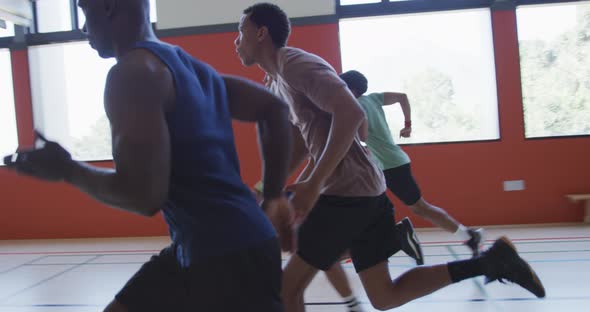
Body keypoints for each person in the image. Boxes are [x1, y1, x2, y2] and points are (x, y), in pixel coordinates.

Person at [234, 3, 546, 311]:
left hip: (345, 194)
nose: (236, 41)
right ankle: (493, 262)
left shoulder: (294, 64)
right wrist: (269, 188)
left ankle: (409, 240)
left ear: (261, 33)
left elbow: (351, 112)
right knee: (385, 296)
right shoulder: (278, 80)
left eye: (240, 32)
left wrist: (314, 184)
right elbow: (303, 142)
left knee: (287, 289)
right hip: (365, 192)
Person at [5, 0, 296, 311]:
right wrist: (274, 194)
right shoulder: (187, 65)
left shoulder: (132, 74)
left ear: (108, 7)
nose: (83, 27)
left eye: (84, 10)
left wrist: (68, 170)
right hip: (216, 244)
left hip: (224, 257)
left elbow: (144, 196)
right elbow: (273, 109)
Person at [339, 69, 483, 258]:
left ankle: (468, 235)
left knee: (420, 208)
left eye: (342, 86)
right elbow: (402, 97)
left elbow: (361, 135)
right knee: (370, 207)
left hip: (390, 165)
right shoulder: (373, 99)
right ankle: (351, 251)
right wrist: (408, 124)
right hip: (388, 164)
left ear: (352, 89)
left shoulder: (357, 106)